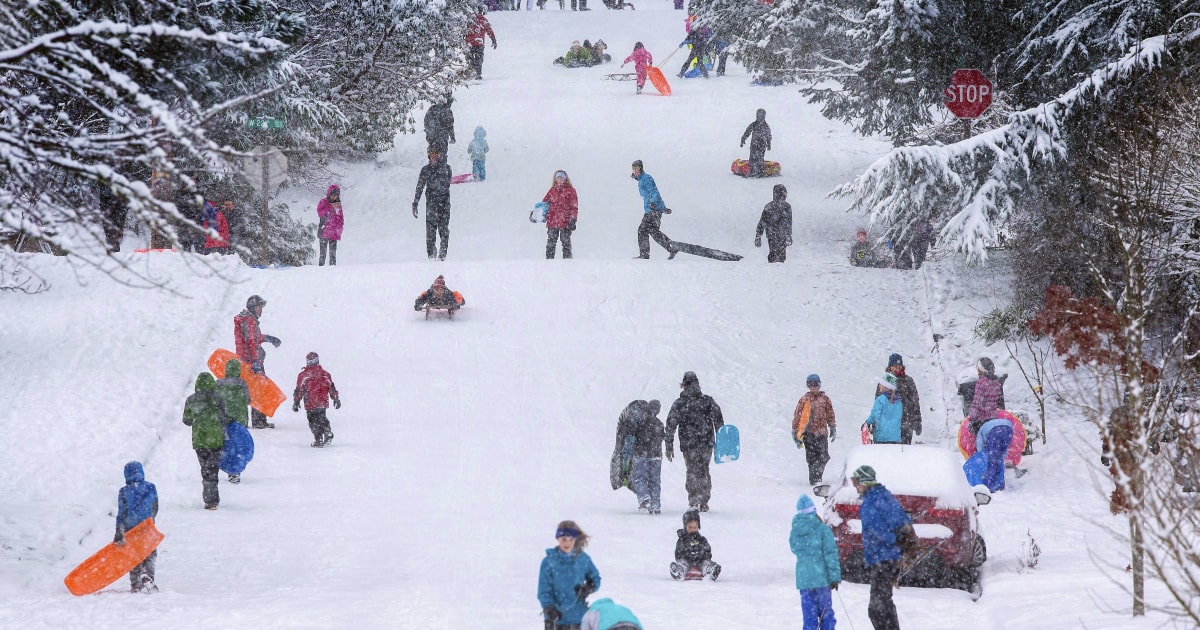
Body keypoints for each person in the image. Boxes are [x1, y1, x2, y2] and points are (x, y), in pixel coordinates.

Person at [852, 465, 916, 630]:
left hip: (881, 558)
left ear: (864, 482)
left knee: (877, 608)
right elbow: (901, 521)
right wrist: (899, 545)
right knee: (884, 603)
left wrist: (891, 541)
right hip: (891, 558)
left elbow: (876, 529)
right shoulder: (885, 496)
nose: (855, 487)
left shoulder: (870, 503)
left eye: (855, 482)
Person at [665, 371, 724, 511]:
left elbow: (671, 425)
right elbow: (719, 420)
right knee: (704, 470)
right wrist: (721, 442)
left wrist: (669, 445)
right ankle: (704, 501)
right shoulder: (707, 400)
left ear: (683, 384)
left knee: (692, 470)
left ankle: (694, 501)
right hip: (706, 443)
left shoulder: (680, 403)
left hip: (688, 444)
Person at [538, 520, 602, 630]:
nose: (567, 543)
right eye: (564, 539)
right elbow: (544, 590)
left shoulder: (583, 559)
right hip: (556, 619)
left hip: (579, 618)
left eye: (571, 540)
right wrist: (549, 608)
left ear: (575, 539)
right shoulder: (548, 562)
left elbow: (595, 578)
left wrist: (589, 588)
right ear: (558, 539)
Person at [790, 494, 840, 630]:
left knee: (809, 616)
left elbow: (794, 548)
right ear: (813, 510)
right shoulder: (822, 529)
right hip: (822, 579)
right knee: (826, 614)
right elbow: (830, 553)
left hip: (804, 580)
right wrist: (834, 576)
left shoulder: (795, 530)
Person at [182, 372, 230, 510]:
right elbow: (224, 417)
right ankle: (212, 499)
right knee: (213, 468)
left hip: (200, 440)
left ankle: (209, 497)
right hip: (216, 439)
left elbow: (186, 420)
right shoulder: (218, 399)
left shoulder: (191, 400)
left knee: (205, 468)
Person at [234, 295, 280, 429]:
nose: (261, 311)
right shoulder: (249, 320)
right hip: (252, 362)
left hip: (246, 361)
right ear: (253, 308)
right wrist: (255, 362)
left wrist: (267, 338)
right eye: (260, 307)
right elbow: (251, 342)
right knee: (259, 391)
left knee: (256, 390)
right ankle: (259, 421)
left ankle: (258, 420)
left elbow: (254, 338)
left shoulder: (247, 319)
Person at [114, 461, 159, 593]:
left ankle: (135, 584)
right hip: (147, 526)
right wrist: (151, 519)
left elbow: (121, 513)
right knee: (150, 553)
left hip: (130, 529)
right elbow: (155, 506)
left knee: (133, 556)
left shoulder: (123, 492)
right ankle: (147, 575)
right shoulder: (151, 487)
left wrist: (119, 531)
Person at [613, 400, 665, 514]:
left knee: (639, 478)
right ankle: (655, 505)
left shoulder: (641, 422)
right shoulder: (659, 424)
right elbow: (661, 438)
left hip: (641, 455)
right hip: (656, 456)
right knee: (655, 481)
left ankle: (644, 499)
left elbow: (630, 433)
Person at [793, 374, 836, 485]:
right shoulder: (804, 400)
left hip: (821, 433)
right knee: (812, 458)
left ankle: (818, 475)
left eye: (815, 384)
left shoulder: (825, 399)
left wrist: (832, 427)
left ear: (819, 385)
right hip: (809, 433)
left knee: (823, 456)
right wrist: (795, 430)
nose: (813, 387)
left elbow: (830, 414)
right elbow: (797, 415)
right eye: (810, 384)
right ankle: (814, 480)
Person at [292, 352, 341, 448]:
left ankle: (319, 438)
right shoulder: (325, 374)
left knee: (313, 421)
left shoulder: (304, 375)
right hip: (322, 401)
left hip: (310, 401)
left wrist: (296, 401)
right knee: (322, 418)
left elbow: (299, 390)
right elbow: (331, 387)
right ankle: (327, 432)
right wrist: (336, 398)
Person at [214, 358, 251, 483]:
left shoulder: (218, 383)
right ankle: (235, 471)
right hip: (239, 420)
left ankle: (222, 466)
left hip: (222, 419)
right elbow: (248, 400)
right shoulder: (242, 383)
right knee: (238, 446)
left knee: (225, 445)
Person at [412, 150, 453, 260]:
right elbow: (420, 186)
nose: (434, 157)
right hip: (431, 205)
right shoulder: (425, 170)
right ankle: (431, 256)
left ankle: (442, 255)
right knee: (430, 232)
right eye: (431, 155)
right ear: (428, 156)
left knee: (444, 230)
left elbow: (447, 183)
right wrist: (415, 203)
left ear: (440, 155)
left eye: (436, 154)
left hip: (444, 204)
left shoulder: (446, 168)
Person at [630, 160, 674, 259]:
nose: (634, 170)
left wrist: (653, 202)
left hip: (653, 208)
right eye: (633, 168)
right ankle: (670, 247)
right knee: (652, 230)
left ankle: (645, 254)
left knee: (642, 230)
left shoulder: (647, 178)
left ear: (641, 168)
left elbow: (654, 191)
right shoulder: (641, 180)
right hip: (652, 209)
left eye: (636, 168)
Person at [670, 509, 721, 580]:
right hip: (687, 560)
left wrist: (702, 554)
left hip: (700, 561)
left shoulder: (701, 539)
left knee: (705, 563)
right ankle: (679, 571)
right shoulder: (682, 539)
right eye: (690, 527)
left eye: (695, 527)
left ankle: (710, 571)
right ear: (685, 526)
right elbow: (678, 553)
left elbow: (708, 551)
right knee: (683, 563)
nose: (692, 529)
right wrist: (687, 553)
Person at [886, 354, 922, 444]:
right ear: (890, 367)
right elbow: (878, 403)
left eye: (899, 366)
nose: (898, 368)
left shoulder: (908, 381)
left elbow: (915, 403)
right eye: (895, 366)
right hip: (888, 424)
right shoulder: (885, 381)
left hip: (906, 423)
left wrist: (917, 421)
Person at [542, 170, 579, 259]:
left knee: (566, 242)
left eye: (561, 177)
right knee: (551, 243)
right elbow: (544, 204)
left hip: (565, 221)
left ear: (565, 179)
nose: (560, 179)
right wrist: (537, 214)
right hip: (552, 221)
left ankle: (568, 262)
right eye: (558, 177)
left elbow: (574, 206)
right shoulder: (552, 190)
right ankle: (549, 262)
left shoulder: (570, 190)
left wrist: (573, 219)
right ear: (555, 179)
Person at [755, 184, 792, 263]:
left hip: (777, 235)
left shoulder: (785, 207)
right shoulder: (771, 207)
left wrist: (758, 235)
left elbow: (788, 222)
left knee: (778, 255)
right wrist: (758, 235)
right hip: (775, 235)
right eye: (784, 193)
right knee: (775, 254)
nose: (785, 195)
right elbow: (763, 221)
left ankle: (775, 265)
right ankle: (774, 265)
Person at [865, 373, 903, 444]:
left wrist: (867, 423)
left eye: (881, 384)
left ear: (886, 386)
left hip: (881, 438)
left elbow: (874, 415)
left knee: (881, 455)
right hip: (895, 438)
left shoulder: (880, 400)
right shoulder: (899, 402)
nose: (879, 385)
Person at [968, 357, 1002, 436]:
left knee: (981, 443)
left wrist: (972, 418)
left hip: (982, 420)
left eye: (978, 367)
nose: (977, 369)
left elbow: (977, 403)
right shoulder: (995, 382)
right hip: (993, 418)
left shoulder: (981, 382)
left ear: (982, 369)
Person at [316, 184, 344, 266]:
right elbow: (320, 213)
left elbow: (340, 218)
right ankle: (321, 269)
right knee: (322, 253)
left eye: (336, 195)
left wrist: (339, 228)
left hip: (334, 233)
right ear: (329, 194)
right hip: (324, 231)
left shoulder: (338, 204)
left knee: (333, 254)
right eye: (333, 195)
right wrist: (330, 207)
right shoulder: (323, 202)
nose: (334, 197)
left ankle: (332, 270)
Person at [740, 108, 773, 178]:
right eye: (759, 116)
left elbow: (768, 136)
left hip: (761, 145)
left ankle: (759, 171)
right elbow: (747, 132)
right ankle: (753, 171)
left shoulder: (766, 126)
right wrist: (743, 139)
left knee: (760, 158)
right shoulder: (754, 124)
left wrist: (769, 143)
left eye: (761, 116)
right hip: (754, 145)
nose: (760, 118)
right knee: (753, 158)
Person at [465, 11, 497, 80]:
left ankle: (472, 71)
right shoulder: (483, 20)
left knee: (470, 58)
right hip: (479, 43)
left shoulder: (469, 19)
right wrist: (493, 39)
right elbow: (489, 30)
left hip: (470, 43)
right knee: (479, 59)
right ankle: (478, 73)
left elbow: (464, 30)